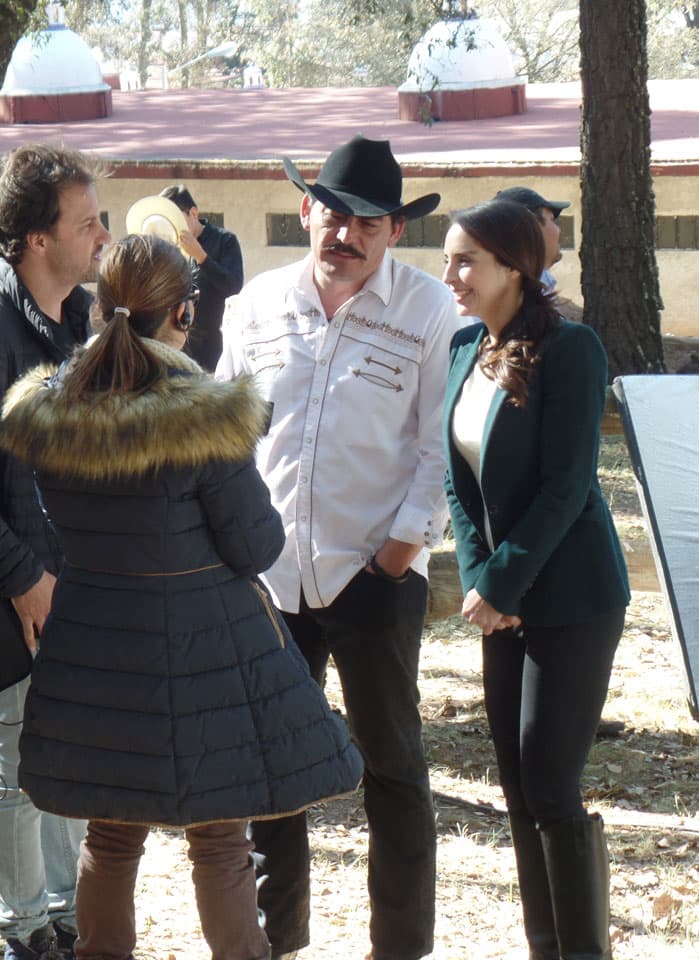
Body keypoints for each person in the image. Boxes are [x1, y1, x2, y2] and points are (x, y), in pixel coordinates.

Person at [0, 234, 364, 960]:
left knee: (110, 836)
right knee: (221, 840)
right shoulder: (204, 416)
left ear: (99, 308)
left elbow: (51, 527)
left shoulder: (51, 410)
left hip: (94, 649)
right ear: (184, 315)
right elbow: (255, 546)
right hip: (208, 656)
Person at [218, 134, 459, 960]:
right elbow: (225, 434)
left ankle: (400, 947)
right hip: (270, 578)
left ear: (395, 231)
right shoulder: (254, 304)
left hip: (374, 576)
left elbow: (437, 446)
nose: (346, 235)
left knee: (391, 768)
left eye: (368, 223)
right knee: (272, 767)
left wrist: (396, 555)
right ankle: (275, 941)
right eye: (333, 215)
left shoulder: (429, 310)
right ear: (305, 211)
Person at [440, 199, 630, 960]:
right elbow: (457, 482)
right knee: (518, 786)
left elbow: (567, 487)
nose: (450, 275)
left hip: (572, 598)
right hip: (502, 600)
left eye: (465, 261)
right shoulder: (464, 347)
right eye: (448, 259)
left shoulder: (573, 349)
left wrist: (503, 585)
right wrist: (482, 581)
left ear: (515, 269)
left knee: (551, 783)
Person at [0, 143, 110, 960]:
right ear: (37, 240)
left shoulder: (76, 319)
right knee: (16, 761)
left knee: (64, 753)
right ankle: (23, 930)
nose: (103, 237)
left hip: (72, 579)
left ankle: (62, 915)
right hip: (20, 588)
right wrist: (23, 578)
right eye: (87, 224)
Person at [158, 183, 244, 370]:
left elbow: (234, 287)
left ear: (193, 213)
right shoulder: (170, 249)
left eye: (176, 219)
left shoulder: (225, 240)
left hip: (218, 345)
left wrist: (201, 257)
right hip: (181, 347)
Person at [494, 186, 569, 293]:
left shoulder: (500, 288)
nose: (559, 230)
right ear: (534, 227)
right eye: (553, 220)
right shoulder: (518, 294)